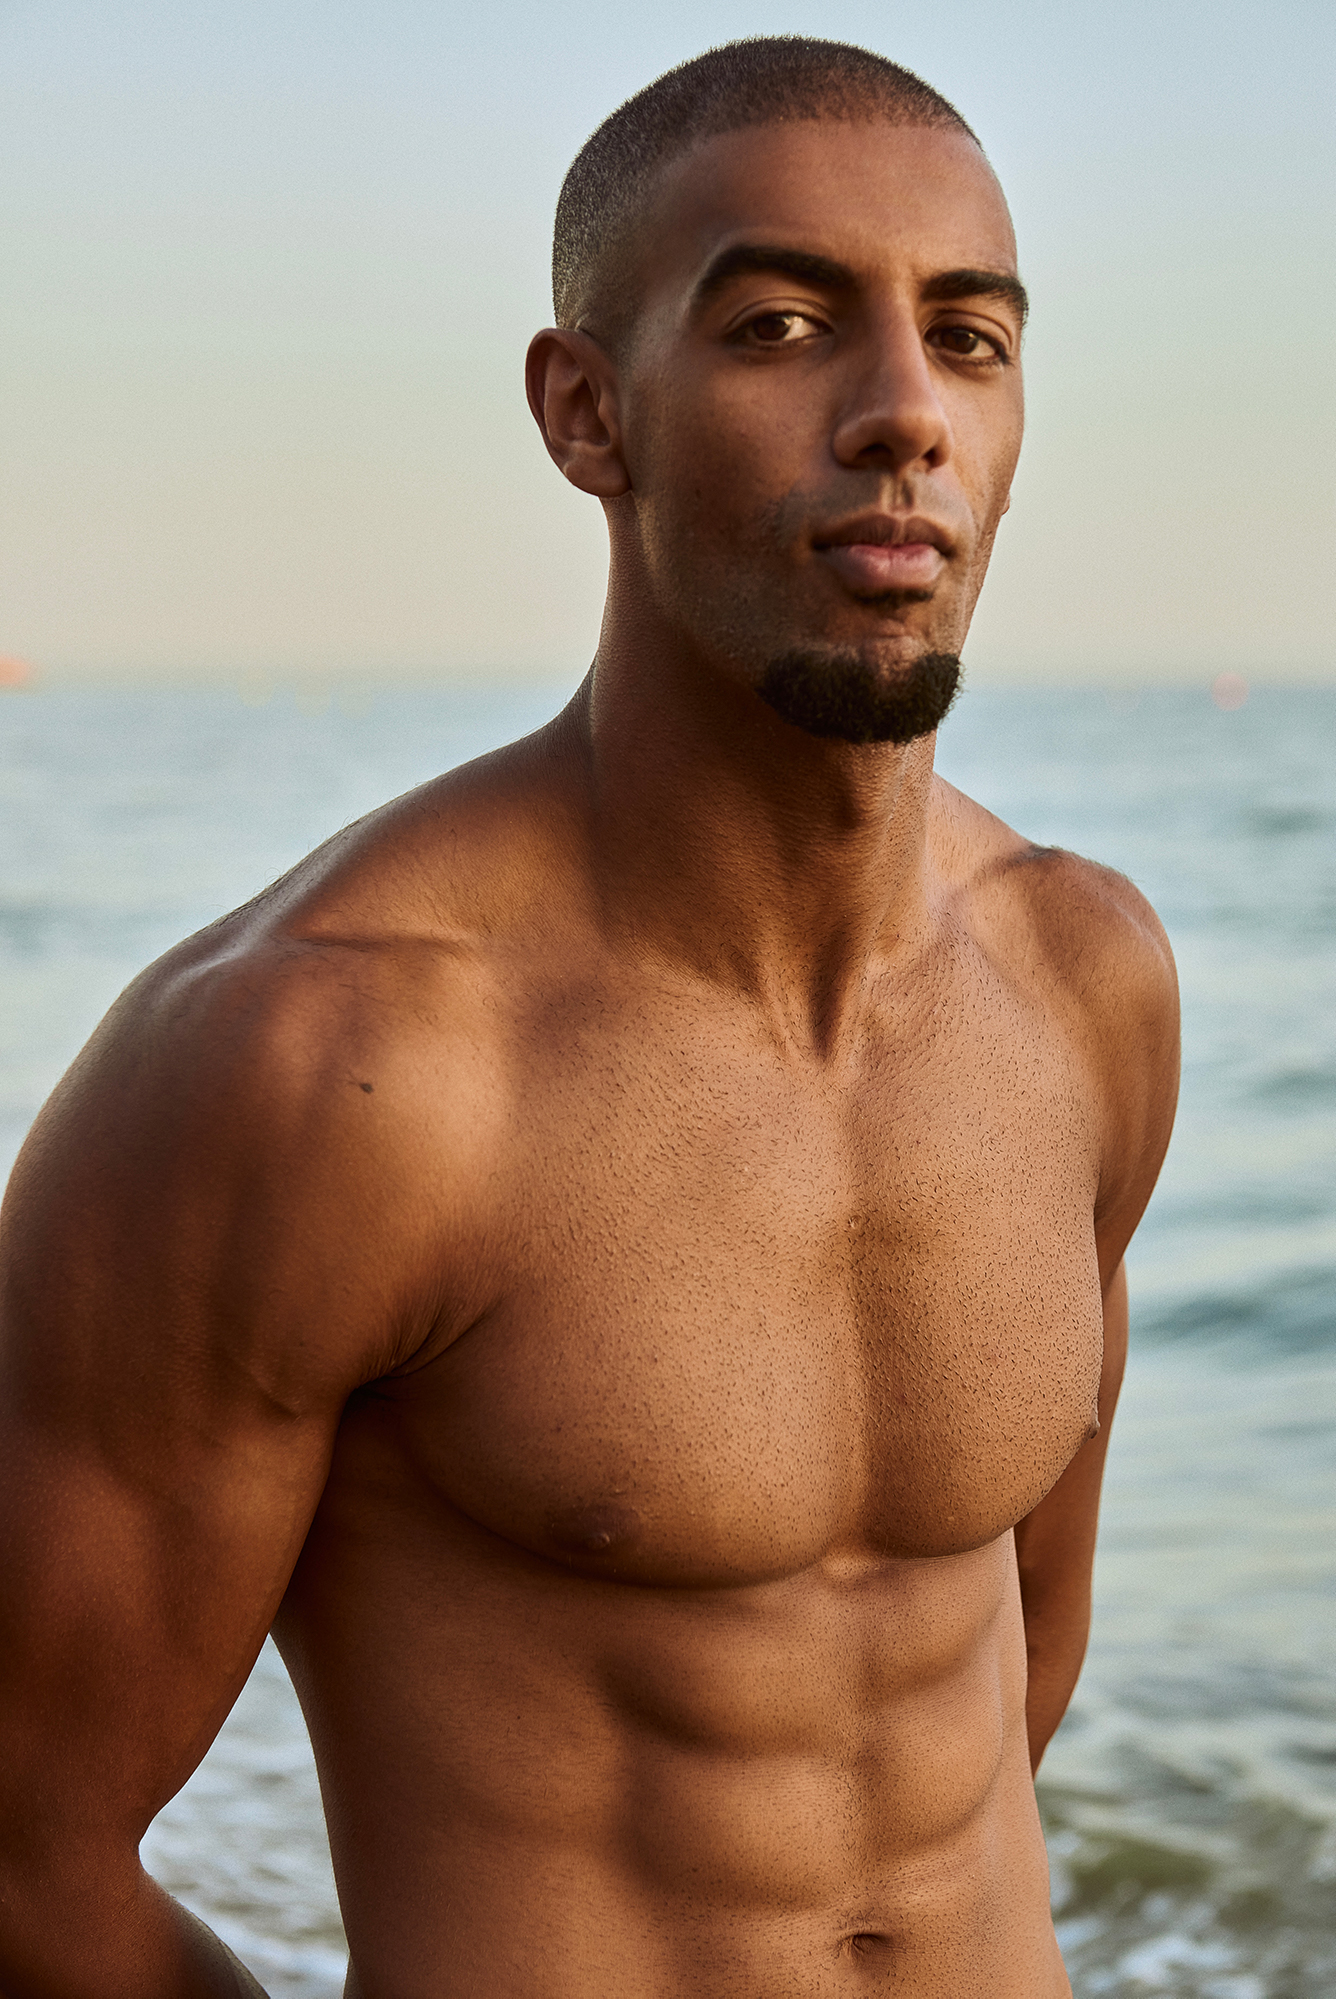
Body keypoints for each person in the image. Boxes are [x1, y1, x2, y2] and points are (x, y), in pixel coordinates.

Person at [0, 36, 1179, 1999]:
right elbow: (23, 1858)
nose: (900, 412)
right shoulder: (310, 1069)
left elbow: (1000, 1700)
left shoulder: (1084, 986)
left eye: (967, 338)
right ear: (584, 413)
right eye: (783, 324)